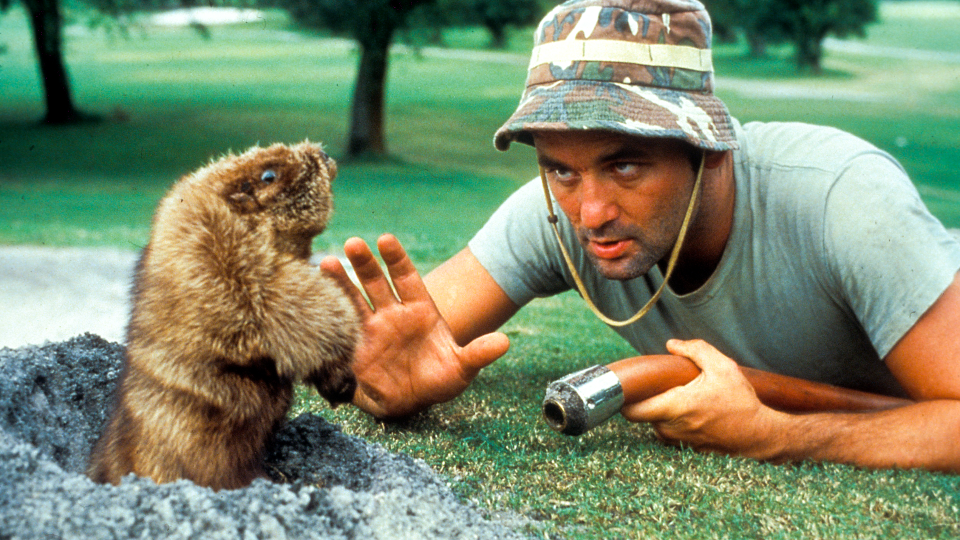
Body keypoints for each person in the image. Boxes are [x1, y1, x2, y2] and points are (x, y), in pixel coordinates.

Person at [320, 0, 960, 473]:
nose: (590, 211)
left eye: (625, 164)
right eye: (560, 168)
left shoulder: (842, 200)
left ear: (707, 147)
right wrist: (374, 379)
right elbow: (412, 338)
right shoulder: (559, 209)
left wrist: (779, 436)